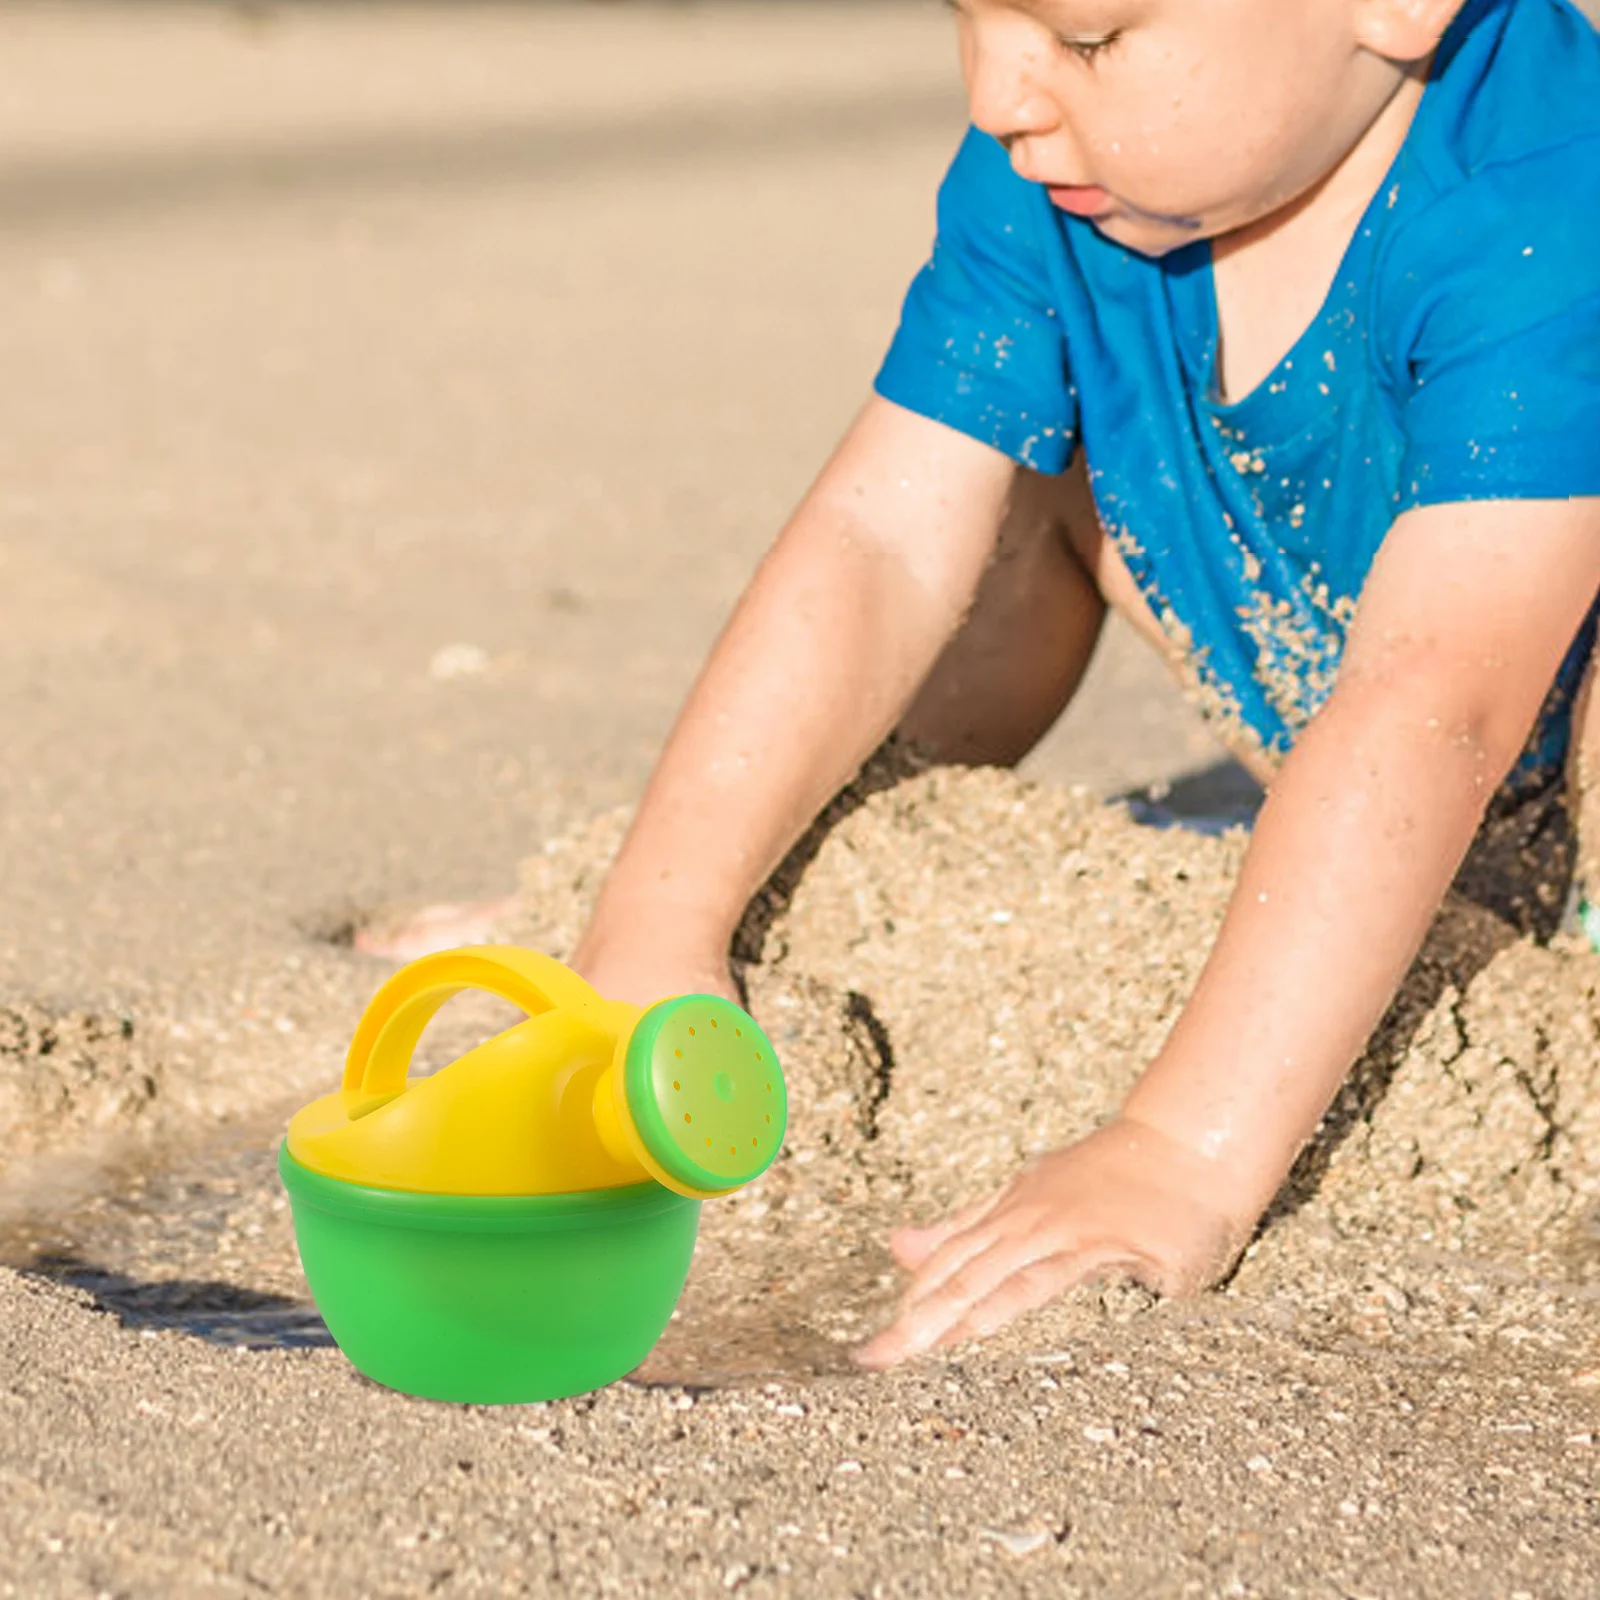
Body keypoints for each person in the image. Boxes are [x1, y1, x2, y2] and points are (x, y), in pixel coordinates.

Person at [362, 0, 1600, 1368]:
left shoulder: (1550, 194)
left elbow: (1437, 699)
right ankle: (790, 856)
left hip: (1503, 693)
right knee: (1012, 504)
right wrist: (654, 917)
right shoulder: (1078, 183)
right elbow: (878, 542)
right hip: (1335, 696)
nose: (1004, 92)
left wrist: (1176, 1147)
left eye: (1086, 40)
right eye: (969, 13)